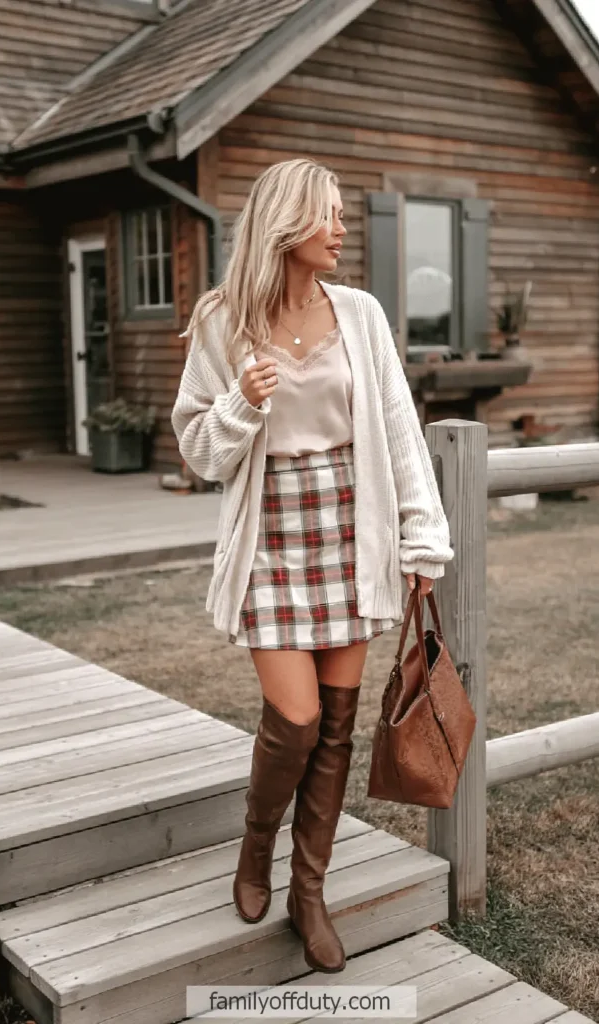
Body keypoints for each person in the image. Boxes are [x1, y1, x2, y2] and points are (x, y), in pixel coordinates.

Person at [171, 157, 453, 973]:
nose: (340, 229)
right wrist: (241, 404)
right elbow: (199, 451)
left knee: (334, 728)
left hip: (350, 537)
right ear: (287, 222)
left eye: (339, 215)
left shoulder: (358, 314)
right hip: (271, 542)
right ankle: (257, 842)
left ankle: (309, 891)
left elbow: (398, 429)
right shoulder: (223, 321)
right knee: (292, 722)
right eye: (326, 214)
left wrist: (419, 539)